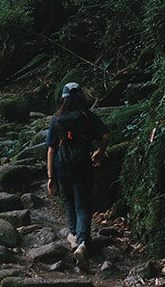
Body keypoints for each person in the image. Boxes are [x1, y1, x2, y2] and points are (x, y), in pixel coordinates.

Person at [46, 82, 110, 271]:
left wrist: (51, 176)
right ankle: (82, 243)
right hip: (83, 166)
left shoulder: (57, 119)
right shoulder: (88, 117)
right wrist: (99, 152)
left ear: (63, 98)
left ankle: (74, 237)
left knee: (68, 201)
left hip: (61, 167)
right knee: (83, 204)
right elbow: (105, 135)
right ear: (81, 96)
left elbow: (51, 149)